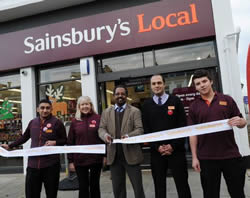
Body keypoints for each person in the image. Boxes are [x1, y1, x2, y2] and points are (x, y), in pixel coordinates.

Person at [188, 69, 247, 198]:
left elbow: (241, 123)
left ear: (211, 81)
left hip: (230, 155)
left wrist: (242, 121)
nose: (202, 85)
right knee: (210, 194)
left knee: (237, 193)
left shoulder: (227, 100)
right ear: (195, 87)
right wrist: (194, 157)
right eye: (198, 84)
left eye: (204, 81)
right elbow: (192, 134)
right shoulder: (194, 107)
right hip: (207, 158)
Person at [1, 99, 67, 198]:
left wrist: (55, 142)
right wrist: (10, 146)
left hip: (51, 165)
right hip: (33, 165)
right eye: (42, 108)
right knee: (31, 194)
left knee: (51, 194)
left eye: (47, 108)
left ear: (51, 109)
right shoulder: (33, 122)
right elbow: (24, 137)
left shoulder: (57, 123)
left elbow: (65, 140)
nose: (45, 110)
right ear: (37, 109)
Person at [142, 74, 191, 198]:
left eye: (159, 83)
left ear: (164, 84)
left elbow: (182, 126)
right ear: (151, 86)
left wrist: (172, 146)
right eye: (154, 84)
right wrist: (157, 146)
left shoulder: (175, 101)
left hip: (176, 151)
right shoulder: (146, 105)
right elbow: (146, 130)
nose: (157, 86)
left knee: (182, 185)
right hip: (157, 153)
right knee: (159, 186)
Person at [98, 85, 145, 198]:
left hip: (132, 154)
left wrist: (129, 136)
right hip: (114, 156)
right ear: (113, 96)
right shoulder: (106, 112)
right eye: (117, 94)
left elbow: (140, 129)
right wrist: (105, 136)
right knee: (118, 189)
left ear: (126, 96)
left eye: (122, 94)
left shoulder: (135, 111)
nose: (120, 96)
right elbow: (101, 128)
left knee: (138, 189)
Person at [67, 96, 104, 198]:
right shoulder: (75, 121)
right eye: (82, 104)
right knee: (83, 187)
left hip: (96, 159)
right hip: (80, 160)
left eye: (87, 104)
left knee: (95, 185)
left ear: (91, 105)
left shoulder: (98, 118)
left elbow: (103, 138)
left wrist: (105, 156)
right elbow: (70, 141)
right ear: (79, 107)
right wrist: (70, 161)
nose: (85, 106)